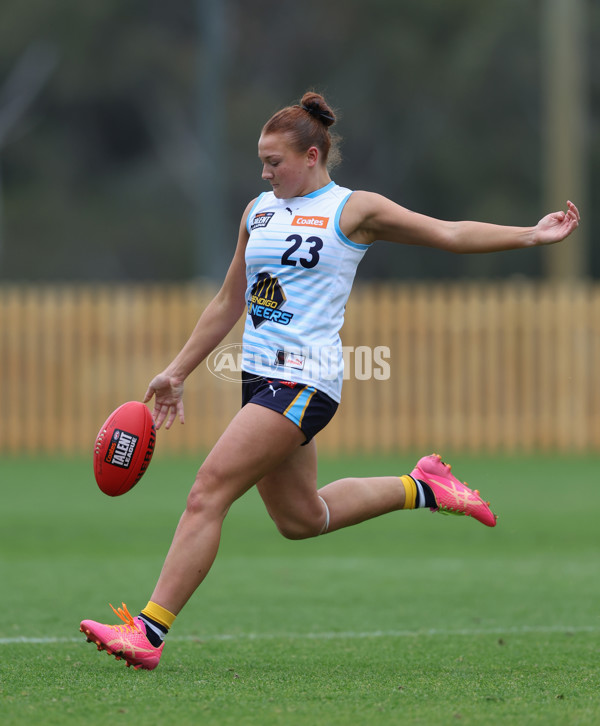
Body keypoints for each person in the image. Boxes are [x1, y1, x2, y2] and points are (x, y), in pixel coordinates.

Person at [80, 91, 580, 670]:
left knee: (207, 490)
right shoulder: (257, 211)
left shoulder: (353, 210)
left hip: (306, 383)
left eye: (276, 162)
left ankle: (148, 632)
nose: (266, 173)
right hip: (259, 379)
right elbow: (227, 301)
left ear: (312, 156)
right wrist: (175, 372)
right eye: (261, 162)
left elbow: (446, 232)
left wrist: (531, 235)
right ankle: (424, 486)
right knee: (301, 519)